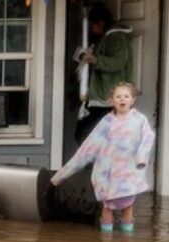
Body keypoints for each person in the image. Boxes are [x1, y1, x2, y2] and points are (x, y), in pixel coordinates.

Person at [52, 82, 154, 233]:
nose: (122, 99)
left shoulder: (140, 120)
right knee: (107, 206)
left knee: (127, 206)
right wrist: (60, 176)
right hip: (108, 174)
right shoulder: (106, 122)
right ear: (111, 100)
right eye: (118, 96)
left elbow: (148, 139)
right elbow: (87, 148)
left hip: (128, 174)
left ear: (132, 100)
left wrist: (141, 157)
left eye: (126, 96)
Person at [74, 3, 133, 144]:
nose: (92, 29)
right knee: (86, 135)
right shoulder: (105, 37)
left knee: (85, 135)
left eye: (93, 25)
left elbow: (118, 63)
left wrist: (94, 60)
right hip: (100, 99)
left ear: (100, 23)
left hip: (108, 99)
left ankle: (97, 165)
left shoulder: (116, 37)